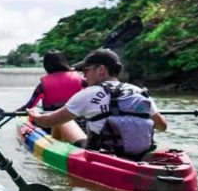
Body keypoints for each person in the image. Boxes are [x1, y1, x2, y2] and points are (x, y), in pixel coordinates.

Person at [28, 48, 167, 159]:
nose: (83, 76)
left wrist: (35, 115)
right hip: (139, 154)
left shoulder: (87, 94)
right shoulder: (140, 92)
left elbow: (48, 121)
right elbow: (162, 126)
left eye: (86, 70)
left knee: (65, 122)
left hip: (102, 155)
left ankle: (56, 151)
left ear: (101, 69)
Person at [23, 51, 85, 141]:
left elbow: (30, 105)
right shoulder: (81, 80)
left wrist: (17, 112)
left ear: (46, 66)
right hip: (79, 122)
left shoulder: (43, 85)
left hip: (50, 123)